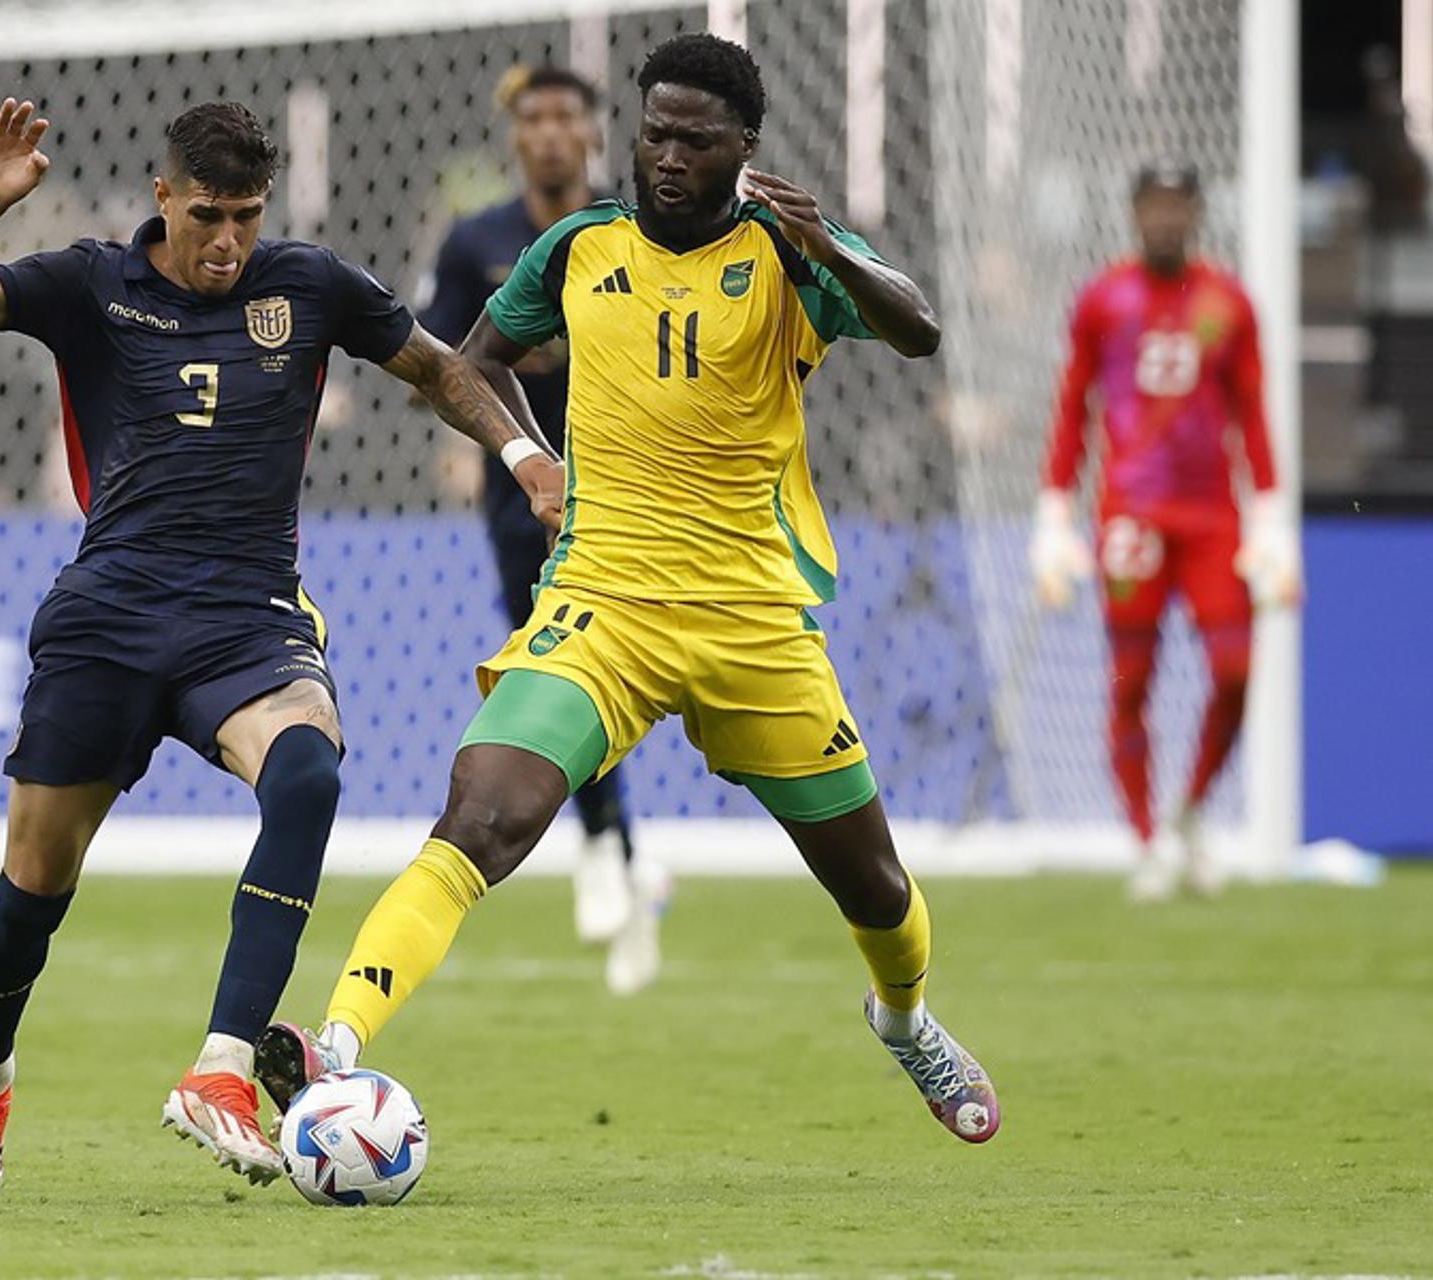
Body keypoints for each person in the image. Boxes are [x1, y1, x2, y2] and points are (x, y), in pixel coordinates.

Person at [257, 34, 1001, 1148]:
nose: (665, 157)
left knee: (878, 891)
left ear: (743, 150)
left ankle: (905, 1021)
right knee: (480, 813)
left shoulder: (790, 254)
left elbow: (921, 327)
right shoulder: (577, 246)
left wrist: (829, 249)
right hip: (603, 607)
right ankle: (338, 1046)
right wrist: (526, 458)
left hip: (753, 621)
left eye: (695, 141)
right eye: (654, 133)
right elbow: (470, 362)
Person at [0, 98, 562, 1192]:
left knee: (308, 771)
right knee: (31, 890)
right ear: (164, 199)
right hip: (108, 616)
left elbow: (445, 369)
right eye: (207, 215)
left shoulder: (310, 286)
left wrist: (525, 456)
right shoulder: (91, 284)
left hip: (246, 618)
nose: (228, 241)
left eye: (246, 216)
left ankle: (221, 1066)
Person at [421, 65, 664, 994]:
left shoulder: (632, 232)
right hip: (525, 496)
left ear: (594, 131)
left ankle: (614, 847)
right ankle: (616, 846)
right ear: (514, 135)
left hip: (637, 492)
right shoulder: (475, 241)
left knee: (614, 670)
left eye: (570, 114)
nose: (554, 132)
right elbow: (444, 365)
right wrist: (507, 450)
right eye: (536, 117)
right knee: (560, 667)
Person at [1031, 165, 1299, 901]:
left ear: (1198, 214)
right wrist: (1054, 515)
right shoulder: (1102, 300)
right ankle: (1148, 839)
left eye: (1178, 206)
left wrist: (1271, 518)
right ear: (1133, 211)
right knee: (1132, 680)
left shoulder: (1230, 303)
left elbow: (1252, 411)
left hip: (1215, 517)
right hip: (1131, 517)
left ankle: (1190, 809)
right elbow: (1072, 410)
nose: (1166, 219)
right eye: (1154, 204)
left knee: (1238, 668)